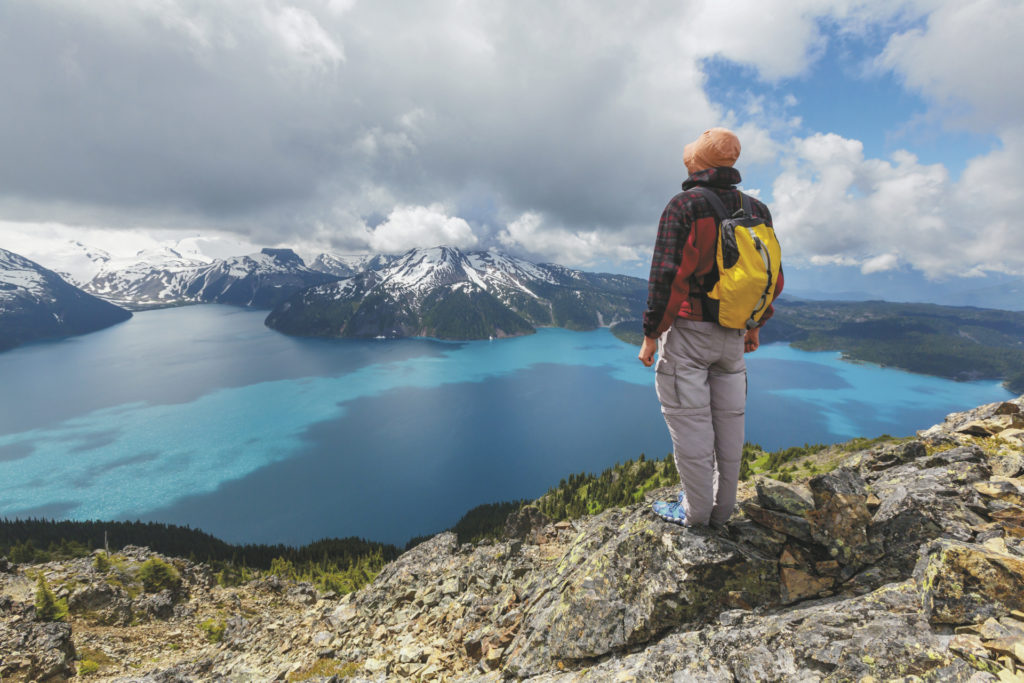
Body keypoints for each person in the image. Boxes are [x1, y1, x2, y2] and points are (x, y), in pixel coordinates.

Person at [638, 127, 784, 528]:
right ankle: (723, 512)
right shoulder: (757, 210)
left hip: (689, 335)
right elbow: (771, 277)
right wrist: (755, 325)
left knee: (691, 426)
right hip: (734, 336)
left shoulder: (684, 207)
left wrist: (652, 334)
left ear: (698, 162)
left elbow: (666, 278)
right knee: (730, 424)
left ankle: (695, 515)